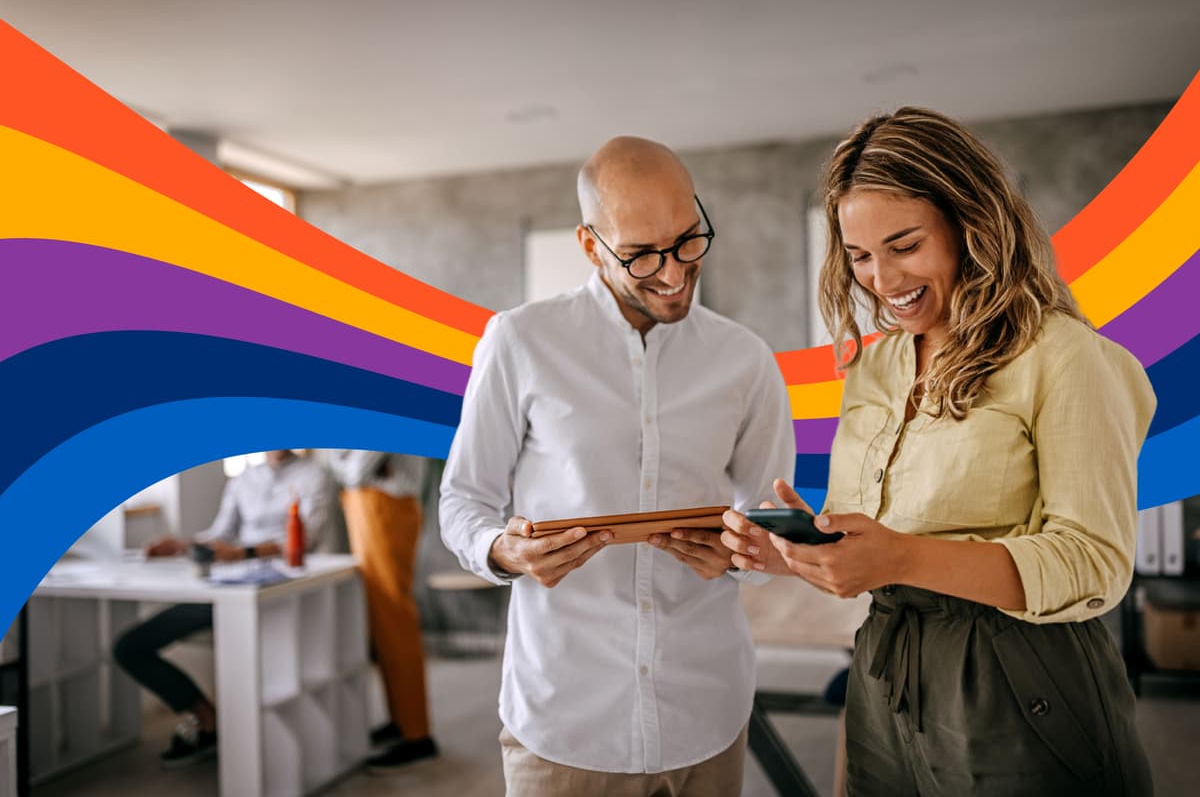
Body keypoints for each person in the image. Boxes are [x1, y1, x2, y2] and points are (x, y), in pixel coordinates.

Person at [722, 107, 1156, 796]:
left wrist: (900, 556)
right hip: (885, 674)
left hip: (1021, 681)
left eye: (904, 245)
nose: (882, 280)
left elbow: (1094, 562)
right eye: (860, 256)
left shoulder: (1064, 357)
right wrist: (790, 552)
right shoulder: (874, 367)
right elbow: (871, 535)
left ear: (970, 224)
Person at [440, 136, 795, 795]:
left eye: (689, 240)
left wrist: (753, 549)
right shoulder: (519, 341)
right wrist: (504, 550)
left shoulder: (745, 360)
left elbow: (768, 516)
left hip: (707, 709)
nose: (673, 272)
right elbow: (463, 501)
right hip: (566, 719)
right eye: (640, 256)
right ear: (589, 246)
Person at [113, 449, 333, 767]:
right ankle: (207, 719)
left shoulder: (314, 476)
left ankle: (256, 744)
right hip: (229, 588)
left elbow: (307, 539)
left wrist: (243, 552)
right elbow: (219, 535)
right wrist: (182, 545)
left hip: (278, 592)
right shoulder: (244, 478)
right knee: (130, 647)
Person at [327, 450, 437, 767]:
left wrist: (339, 456)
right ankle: (401, 720)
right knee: (384, 622)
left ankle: (417, 734)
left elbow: (353, 471)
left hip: (385, 508)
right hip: (372, 507)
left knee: (394, 619)